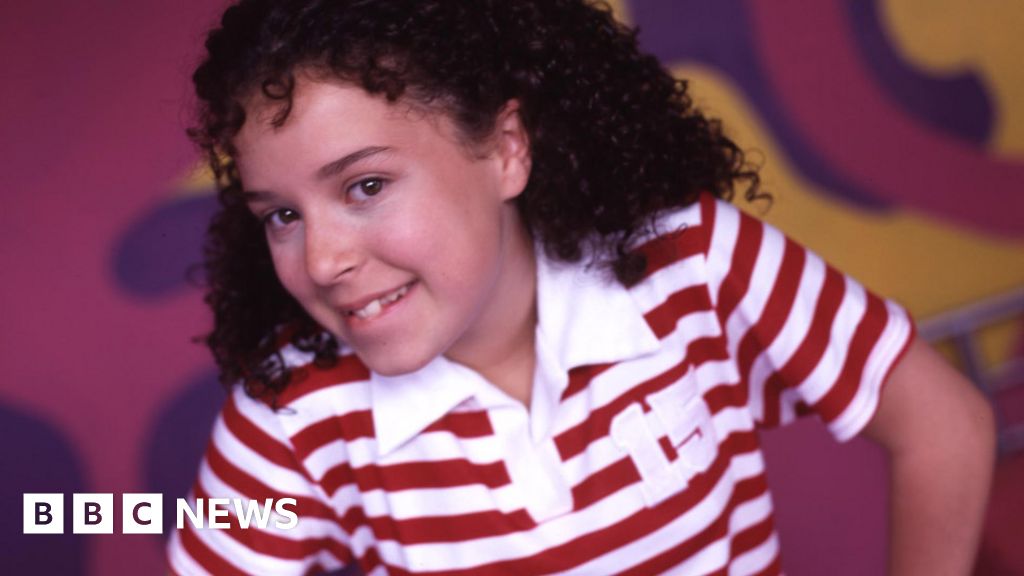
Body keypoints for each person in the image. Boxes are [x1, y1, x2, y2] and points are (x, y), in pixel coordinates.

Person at [168, 0, 995, 574]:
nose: (320, 261)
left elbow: (944, 426)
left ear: (506, 149)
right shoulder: (294, 415)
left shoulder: (691, 264)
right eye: (281, 215)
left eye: (366, 186)